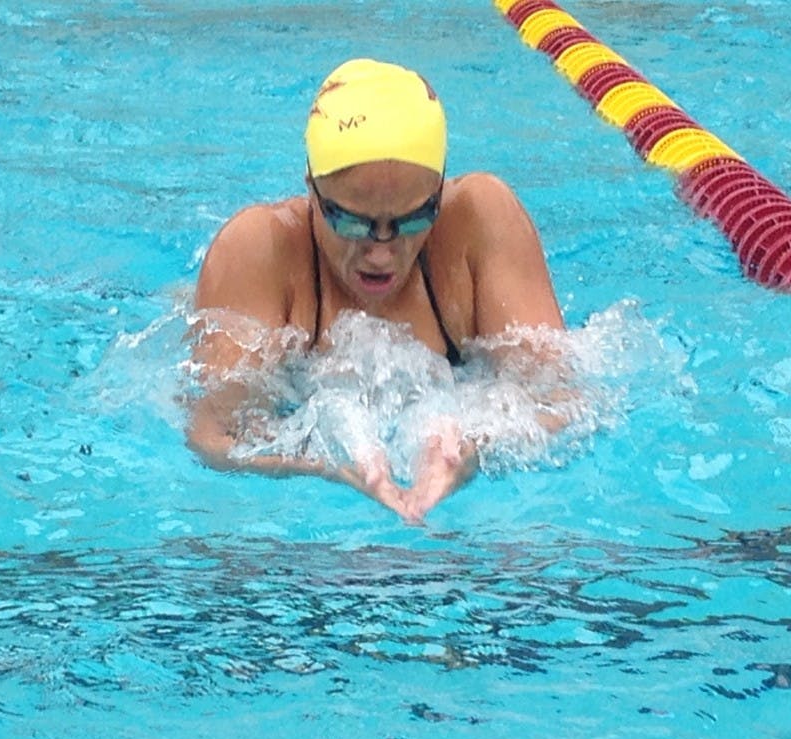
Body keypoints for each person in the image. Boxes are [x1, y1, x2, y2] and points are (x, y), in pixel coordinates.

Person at [188, 58, 564, 521]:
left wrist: (474, 447)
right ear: (311, 189)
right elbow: (214, 435)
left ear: (439, 192)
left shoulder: (480, 223)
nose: (382, 252)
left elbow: (563, 398)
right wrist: (324, 462)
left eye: (413, 219)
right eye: (351, 221)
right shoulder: (258, 251)